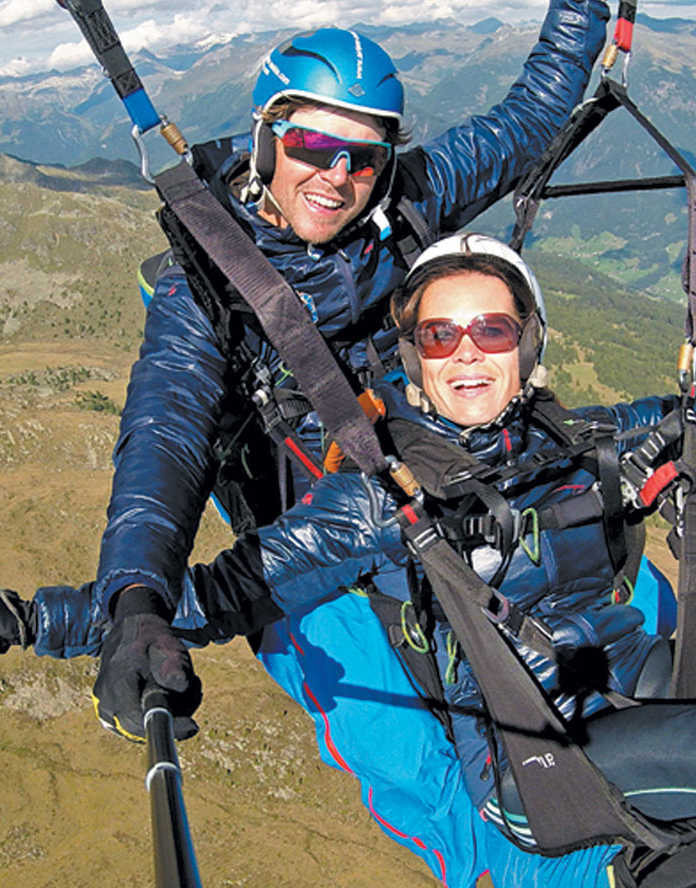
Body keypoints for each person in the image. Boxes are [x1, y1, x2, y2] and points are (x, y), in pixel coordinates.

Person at [0, 236, 696, 888]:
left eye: (492, 330)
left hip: (629, 668)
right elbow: (208, 597)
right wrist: (25, 619)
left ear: (528, 346)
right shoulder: (377, 501)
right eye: (440, 335)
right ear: (412, 360)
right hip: (538, 764)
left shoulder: (583, 440)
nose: (468, 352)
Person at [94, 5, 612, 741]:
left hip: (422, 456)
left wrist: (583, 10)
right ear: (266, 138)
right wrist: (138, 601)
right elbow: (163, 435)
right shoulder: (206, 280)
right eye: (310, 144)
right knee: (406, 734)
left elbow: (529, 119)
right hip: (312, 518)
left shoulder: (400, 203)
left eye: (362, 158)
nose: (337, 177)